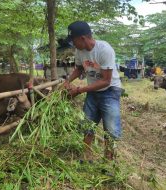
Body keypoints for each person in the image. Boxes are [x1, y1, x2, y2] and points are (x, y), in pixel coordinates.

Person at [64, 21, 122, 161]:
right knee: (88, 124)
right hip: (93, 91)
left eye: (73, 40)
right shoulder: (80, 51)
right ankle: (85, 155)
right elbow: (79, 69)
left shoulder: (104, 50)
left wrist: (79, 90)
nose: (73, 44)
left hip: (110, 90)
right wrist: (67, 81)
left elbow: (105, 81)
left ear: (83, 38)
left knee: (111, 129)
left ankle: (108, 162)